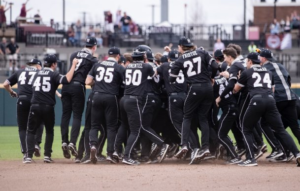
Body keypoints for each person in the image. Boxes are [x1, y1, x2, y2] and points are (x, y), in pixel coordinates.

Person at [233, 52, 300, 167]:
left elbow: (235, 90)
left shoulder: (247, 72)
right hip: (270, 101)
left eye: (247, 61)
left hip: (256, 100)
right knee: (281, 130)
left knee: (246, 128)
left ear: (250, 61)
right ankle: (297, 153)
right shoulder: (268, 72)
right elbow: (272, 90)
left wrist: (239, 79)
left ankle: (250, 159)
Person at [170, 37, 219, 164]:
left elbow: (172, 79)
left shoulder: (180, 59)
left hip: (194, 88)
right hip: (208, 88)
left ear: (181, 46)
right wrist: (211, 77)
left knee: (187, 117)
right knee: (203, 118)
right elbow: (215, 66)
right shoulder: (202, 52)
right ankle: (205, 148)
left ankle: (185, 145)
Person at [22, 55, 77, 163]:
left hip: (35, 105)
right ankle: (47, 155)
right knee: (49, 131)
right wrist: (74, 64)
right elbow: (67, 79)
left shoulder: (36, 74)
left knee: (31, 131)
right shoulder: (54, 74)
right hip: (48, 106)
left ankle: (28, 156)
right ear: (54, 64)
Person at [60, 37, 98, 160]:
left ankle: (64, 141)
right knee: (76, 116)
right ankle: (72, 142)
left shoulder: (74, 54)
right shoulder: (93, 59)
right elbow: (92, 78)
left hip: (66, 85)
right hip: (78, 86)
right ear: (94, 47)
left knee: (65, 115)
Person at [86, 47, 125, 164]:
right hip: (111, 97)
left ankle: (93, 146)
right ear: (118, 56)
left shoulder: (97, 65)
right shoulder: (119, 67)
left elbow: (87, 82)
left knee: (94, 125)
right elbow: (125, 84)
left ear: (108, 55)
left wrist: (98, 83)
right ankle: (110, 153)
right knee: (111, 127)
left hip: (97, 95)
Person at [3, 58, 44, 160]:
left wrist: (11, 92)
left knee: (22, 128)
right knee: (39, 122)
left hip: (22, 100)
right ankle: (36, 144)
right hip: (35, 100)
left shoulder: (20, 71)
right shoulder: (40, 72)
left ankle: (26, 153)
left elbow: (5, 84)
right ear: (38, 65)